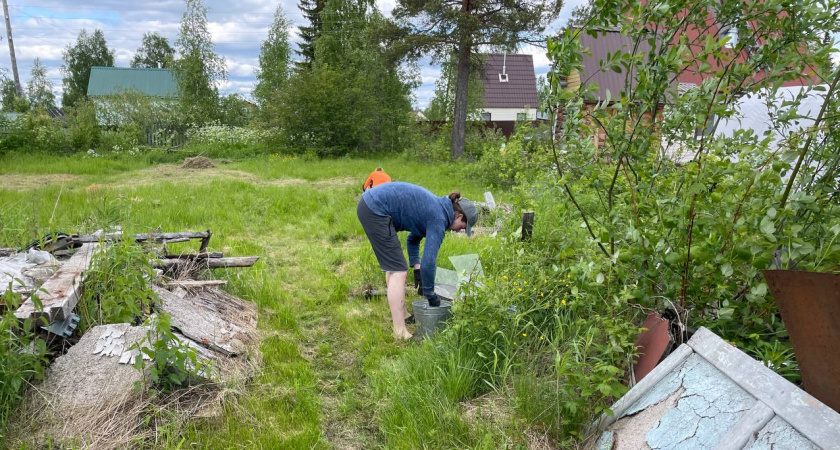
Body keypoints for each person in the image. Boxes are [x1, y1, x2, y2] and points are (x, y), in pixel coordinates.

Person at [357, 182, 478, 339]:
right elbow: (430, 262)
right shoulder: (438, 218)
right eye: (462, 227)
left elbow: (412, 239)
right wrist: (430, 293)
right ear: (459, 216)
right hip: (376, 209)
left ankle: (404, 315)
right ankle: (400, 331)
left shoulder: (437, 208)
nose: (459, 230)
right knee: (399, 271)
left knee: (395, 268)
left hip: (371, 204)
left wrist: (417, 267)